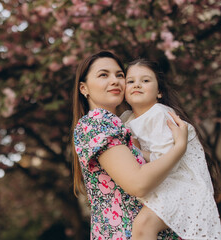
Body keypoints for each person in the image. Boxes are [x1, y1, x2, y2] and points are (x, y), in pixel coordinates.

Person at [72, 50, 188, 240]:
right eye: (103, 75)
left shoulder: (119, 124)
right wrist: (179, 148)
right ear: (84, 88)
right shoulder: (97, 122)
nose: (115, 81)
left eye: (120, 75)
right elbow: (138, 183)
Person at [120, 58, 221, 240]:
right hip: (162, 182)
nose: (137, 85)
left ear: (159, 92)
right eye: (131, 81)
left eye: (145, 80)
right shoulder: (127, 119)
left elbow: (169, 160)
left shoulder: (160, 114)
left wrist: (134, 151)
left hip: (183, 184)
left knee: (143, 226)